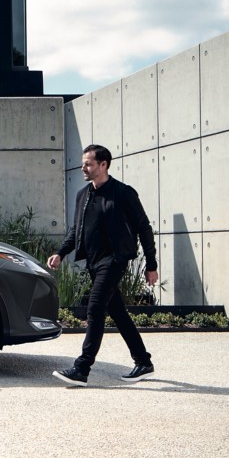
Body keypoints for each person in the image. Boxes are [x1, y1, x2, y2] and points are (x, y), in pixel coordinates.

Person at [47, 144, 158, 386]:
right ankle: (143, 361)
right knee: (118, 312)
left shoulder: (123, 193)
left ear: (103, 165)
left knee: (95, 309)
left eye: (88, 163)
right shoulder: (83, 195)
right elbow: (76, 230)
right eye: (83, 163)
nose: (83, 168)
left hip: (115, 260)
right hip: (94, 262)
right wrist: (61, 253)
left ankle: (82, 368)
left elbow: (144, 228)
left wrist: (151, 264)